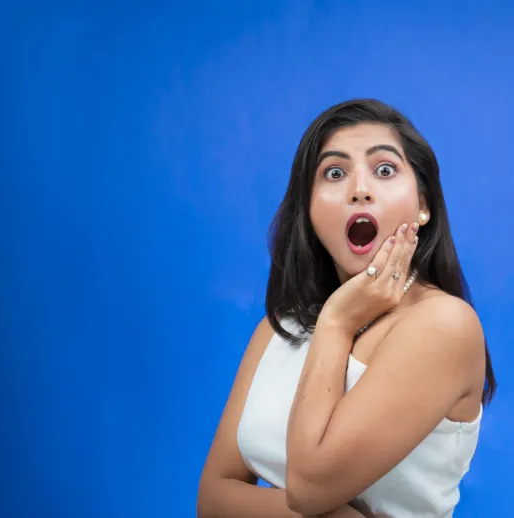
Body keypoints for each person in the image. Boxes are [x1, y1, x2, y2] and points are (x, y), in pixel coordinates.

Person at [196, 99, 496, 518]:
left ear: (423, 205)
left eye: (385, 170)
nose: (360, 188)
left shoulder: (444, 324)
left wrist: (336, 324)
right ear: (311, 209)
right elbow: (212, 499)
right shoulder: (278, 329)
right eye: (334, 173)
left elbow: (308, 488)